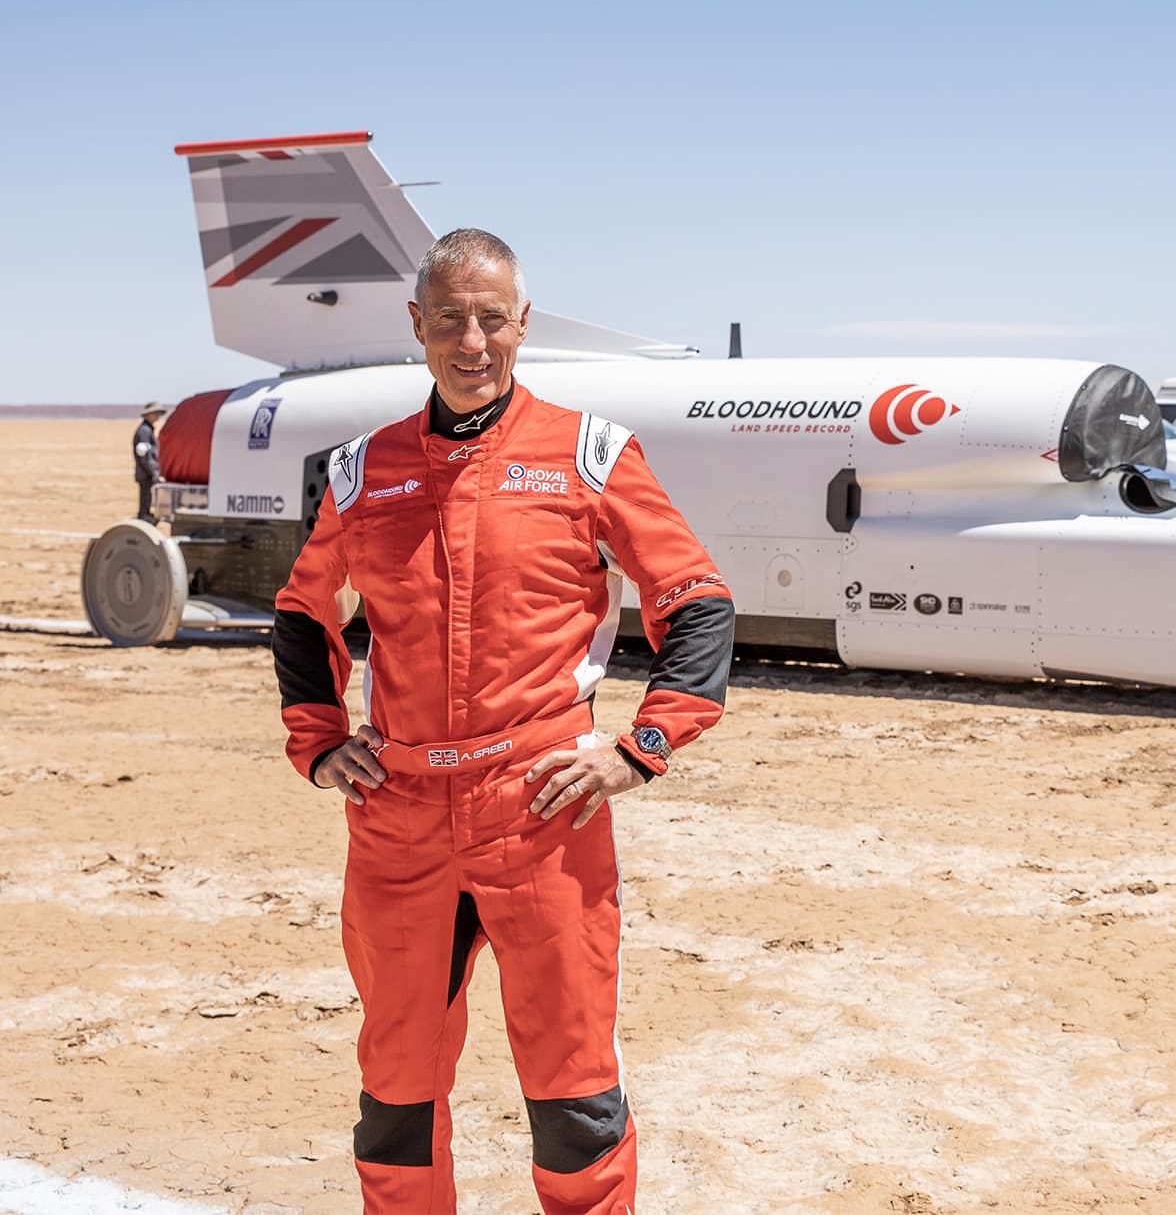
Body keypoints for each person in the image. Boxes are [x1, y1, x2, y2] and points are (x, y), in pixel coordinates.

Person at [272, 228, 735, 1213]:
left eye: (492, 318)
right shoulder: (362, 470)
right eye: (450, 319)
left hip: (541, 811)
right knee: (394, 1092)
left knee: (573, 1095)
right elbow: (303, 610)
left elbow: (695, 598)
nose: (471, 340)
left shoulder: (589, 451)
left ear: (521, 322)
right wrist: (317, 742)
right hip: (398, 825)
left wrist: (640, 747)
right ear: (418, 327)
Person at [133, 401, 167, 522]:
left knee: (148, 498)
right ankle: (144, 519)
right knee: (145, 500)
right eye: (155, 413)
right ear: (148, 415)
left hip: (146, 472)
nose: (157, 416)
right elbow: (145, 455)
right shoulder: (144, 431)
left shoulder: (147, 430)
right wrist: (153, 472)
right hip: (145, 473)